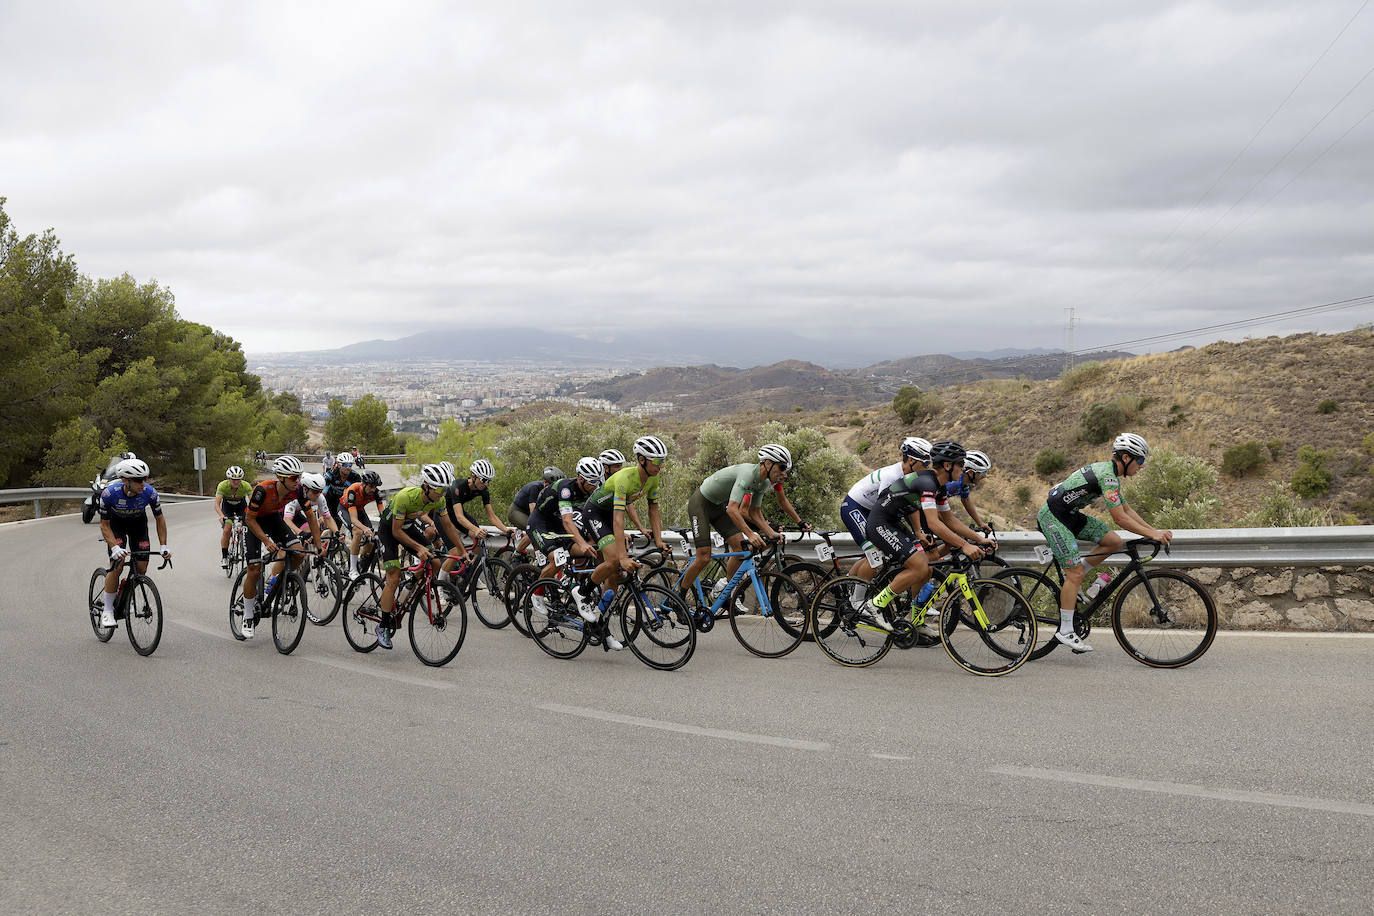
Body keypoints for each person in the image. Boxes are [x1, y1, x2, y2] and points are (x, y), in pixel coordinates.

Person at [1037, 433, 1173, 653]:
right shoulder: (1107, 476)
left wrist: (1153, 531)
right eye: (1140, 461)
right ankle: (1065, 631)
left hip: (1068, 514)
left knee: (1113, 541)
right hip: (1052, 517)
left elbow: (1127, 510)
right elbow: (1119, 518)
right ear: (1127, 458)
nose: (1142, 466)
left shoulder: (1111, 475)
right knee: (1075, 574)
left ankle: (1077, 574)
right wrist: (1154, 534)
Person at [861, 440, 996, 636]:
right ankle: (875, 605)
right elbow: (934, 523)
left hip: (894, 522)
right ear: (948, 466)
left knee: (926, 570)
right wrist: (965, 545)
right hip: (880, 523)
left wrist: (978, 538)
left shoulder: (940, 487)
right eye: (960, 464)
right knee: (919, 566)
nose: (963, 468)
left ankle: (916, 620)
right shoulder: (927, 483)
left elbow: (949, 520)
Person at [677, 444, 810, 603]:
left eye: (786, 470)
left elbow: (755, 513)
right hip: (701, 503)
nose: (785, 474)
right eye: (782, 468)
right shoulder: (748, 474)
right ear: (767, 463)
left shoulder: (761, 482)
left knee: (740, 549)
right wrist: (751, 534)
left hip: (717, 506)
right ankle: (679, 598)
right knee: (704, 556)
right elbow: (733, 509)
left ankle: (726, 593)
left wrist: (771, 533)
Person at [373, 464, 465, 650]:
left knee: (436, 562)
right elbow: (396, 532)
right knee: (393, 577)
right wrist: (418, 548)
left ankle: (410, 585)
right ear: (426, 487)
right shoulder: (405, 497)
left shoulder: (438, 500)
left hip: (407, 527)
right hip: (388, 531)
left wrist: (462, 551)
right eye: (439, 489)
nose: (442, 493)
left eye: (445, 489)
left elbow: (448, 526)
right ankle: (382, 626)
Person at [583, 436, 670, 628]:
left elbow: (653, 510)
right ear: (642, 460)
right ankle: (582, 594)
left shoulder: (652, 479)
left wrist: (659, 541)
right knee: (615, 561)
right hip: (595, 513)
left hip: (610, 515)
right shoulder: (624, 479)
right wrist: (622, 556)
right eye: (656, 461)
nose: (660, 466)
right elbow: (618, 519)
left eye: (662, 461)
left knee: (614, 576)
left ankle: (598, 622)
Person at [840, 437, 931, 605]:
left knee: (892, 551)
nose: (928, 467)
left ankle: (847, 584)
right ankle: (856, 600)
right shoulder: (893, 476)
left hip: (875, 511)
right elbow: (882, 508)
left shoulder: (911, 476)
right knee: (874, 554)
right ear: (911, 460)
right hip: (855, 507)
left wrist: (918, 532)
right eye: (925, 463)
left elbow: (912, 505)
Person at [241, 455, 319, 639]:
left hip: (273, 519)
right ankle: (248, 616)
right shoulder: (262, 490)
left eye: (299, 477)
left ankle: (279, 581)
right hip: (253, 522)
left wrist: (318, 544)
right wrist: (267, 542)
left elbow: (311, 517)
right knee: (253, 568)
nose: (298, 481)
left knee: (299, 552)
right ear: (281, 477)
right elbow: (250, 519)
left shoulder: (298, 490)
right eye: (294, 478)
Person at [97, 458, 170, 628]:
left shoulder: (149, 493)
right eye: (138, 480)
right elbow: (104, 525)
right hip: (116, 525)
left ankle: (126, 593)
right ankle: (107, 610)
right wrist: (114, 547)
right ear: (125, 480)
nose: (143, 483)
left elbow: (160, 519)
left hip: (138, 523)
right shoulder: (109, 494)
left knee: (142, 568)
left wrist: (164, 546)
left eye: (145, 478)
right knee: (118, 564)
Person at [436, 459, 515, 583]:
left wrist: (505, 529)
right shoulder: (457, 486)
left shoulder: (483, 490)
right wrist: (476, 529)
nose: (486, 483)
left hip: (456, 515)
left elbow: (491, 516)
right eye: (483, 480)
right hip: (443, 515)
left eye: (489, 480)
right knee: (455, 551)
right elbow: (459, 517)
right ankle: (439, 585)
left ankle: (470, 576)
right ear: (473, 476)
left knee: (479, 544)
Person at [341, 470, 386, 578]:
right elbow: (353, 519)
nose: (373, 489)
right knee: (358, 532)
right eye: (370, 486)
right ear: (363, 484)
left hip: (360, 510)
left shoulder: (376, 493)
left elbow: (382, 513)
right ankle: (352, 569)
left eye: (375, 487)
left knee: (371, 538)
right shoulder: (353, 490)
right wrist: (365, 528)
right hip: (345, 509)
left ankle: (361, 563)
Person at [214, 465, 252, 570]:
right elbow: (217, 503)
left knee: (248, 527)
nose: (236, 482)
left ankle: (246, 549)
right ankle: (225, 557)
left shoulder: (246, 486)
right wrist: (221, 516)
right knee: (227, 529)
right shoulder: (222, 486)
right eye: (233, 479)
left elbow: (253, 502)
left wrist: (253, 515)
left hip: (241, 507)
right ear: (229, 479)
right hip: (227, 509)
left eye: (238, 479)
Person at [947, 449, 992, 532]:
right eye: (982, 473)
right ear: (971, 472)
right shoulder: (954, 483)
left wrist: (980, 523)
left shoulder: (963, 482)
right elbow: (937, 510)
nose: (985, 476)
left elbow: (966, 500)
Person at [324, 452, 358, 520]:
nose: (348, 467)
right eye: (345, 464)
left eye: (350, 464)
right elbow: (323, 493)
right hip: (331, 500)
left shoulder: (355, 476)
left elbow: (358, 494)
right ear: (339, 465)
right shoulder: (331, 475)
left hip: (345, 501)